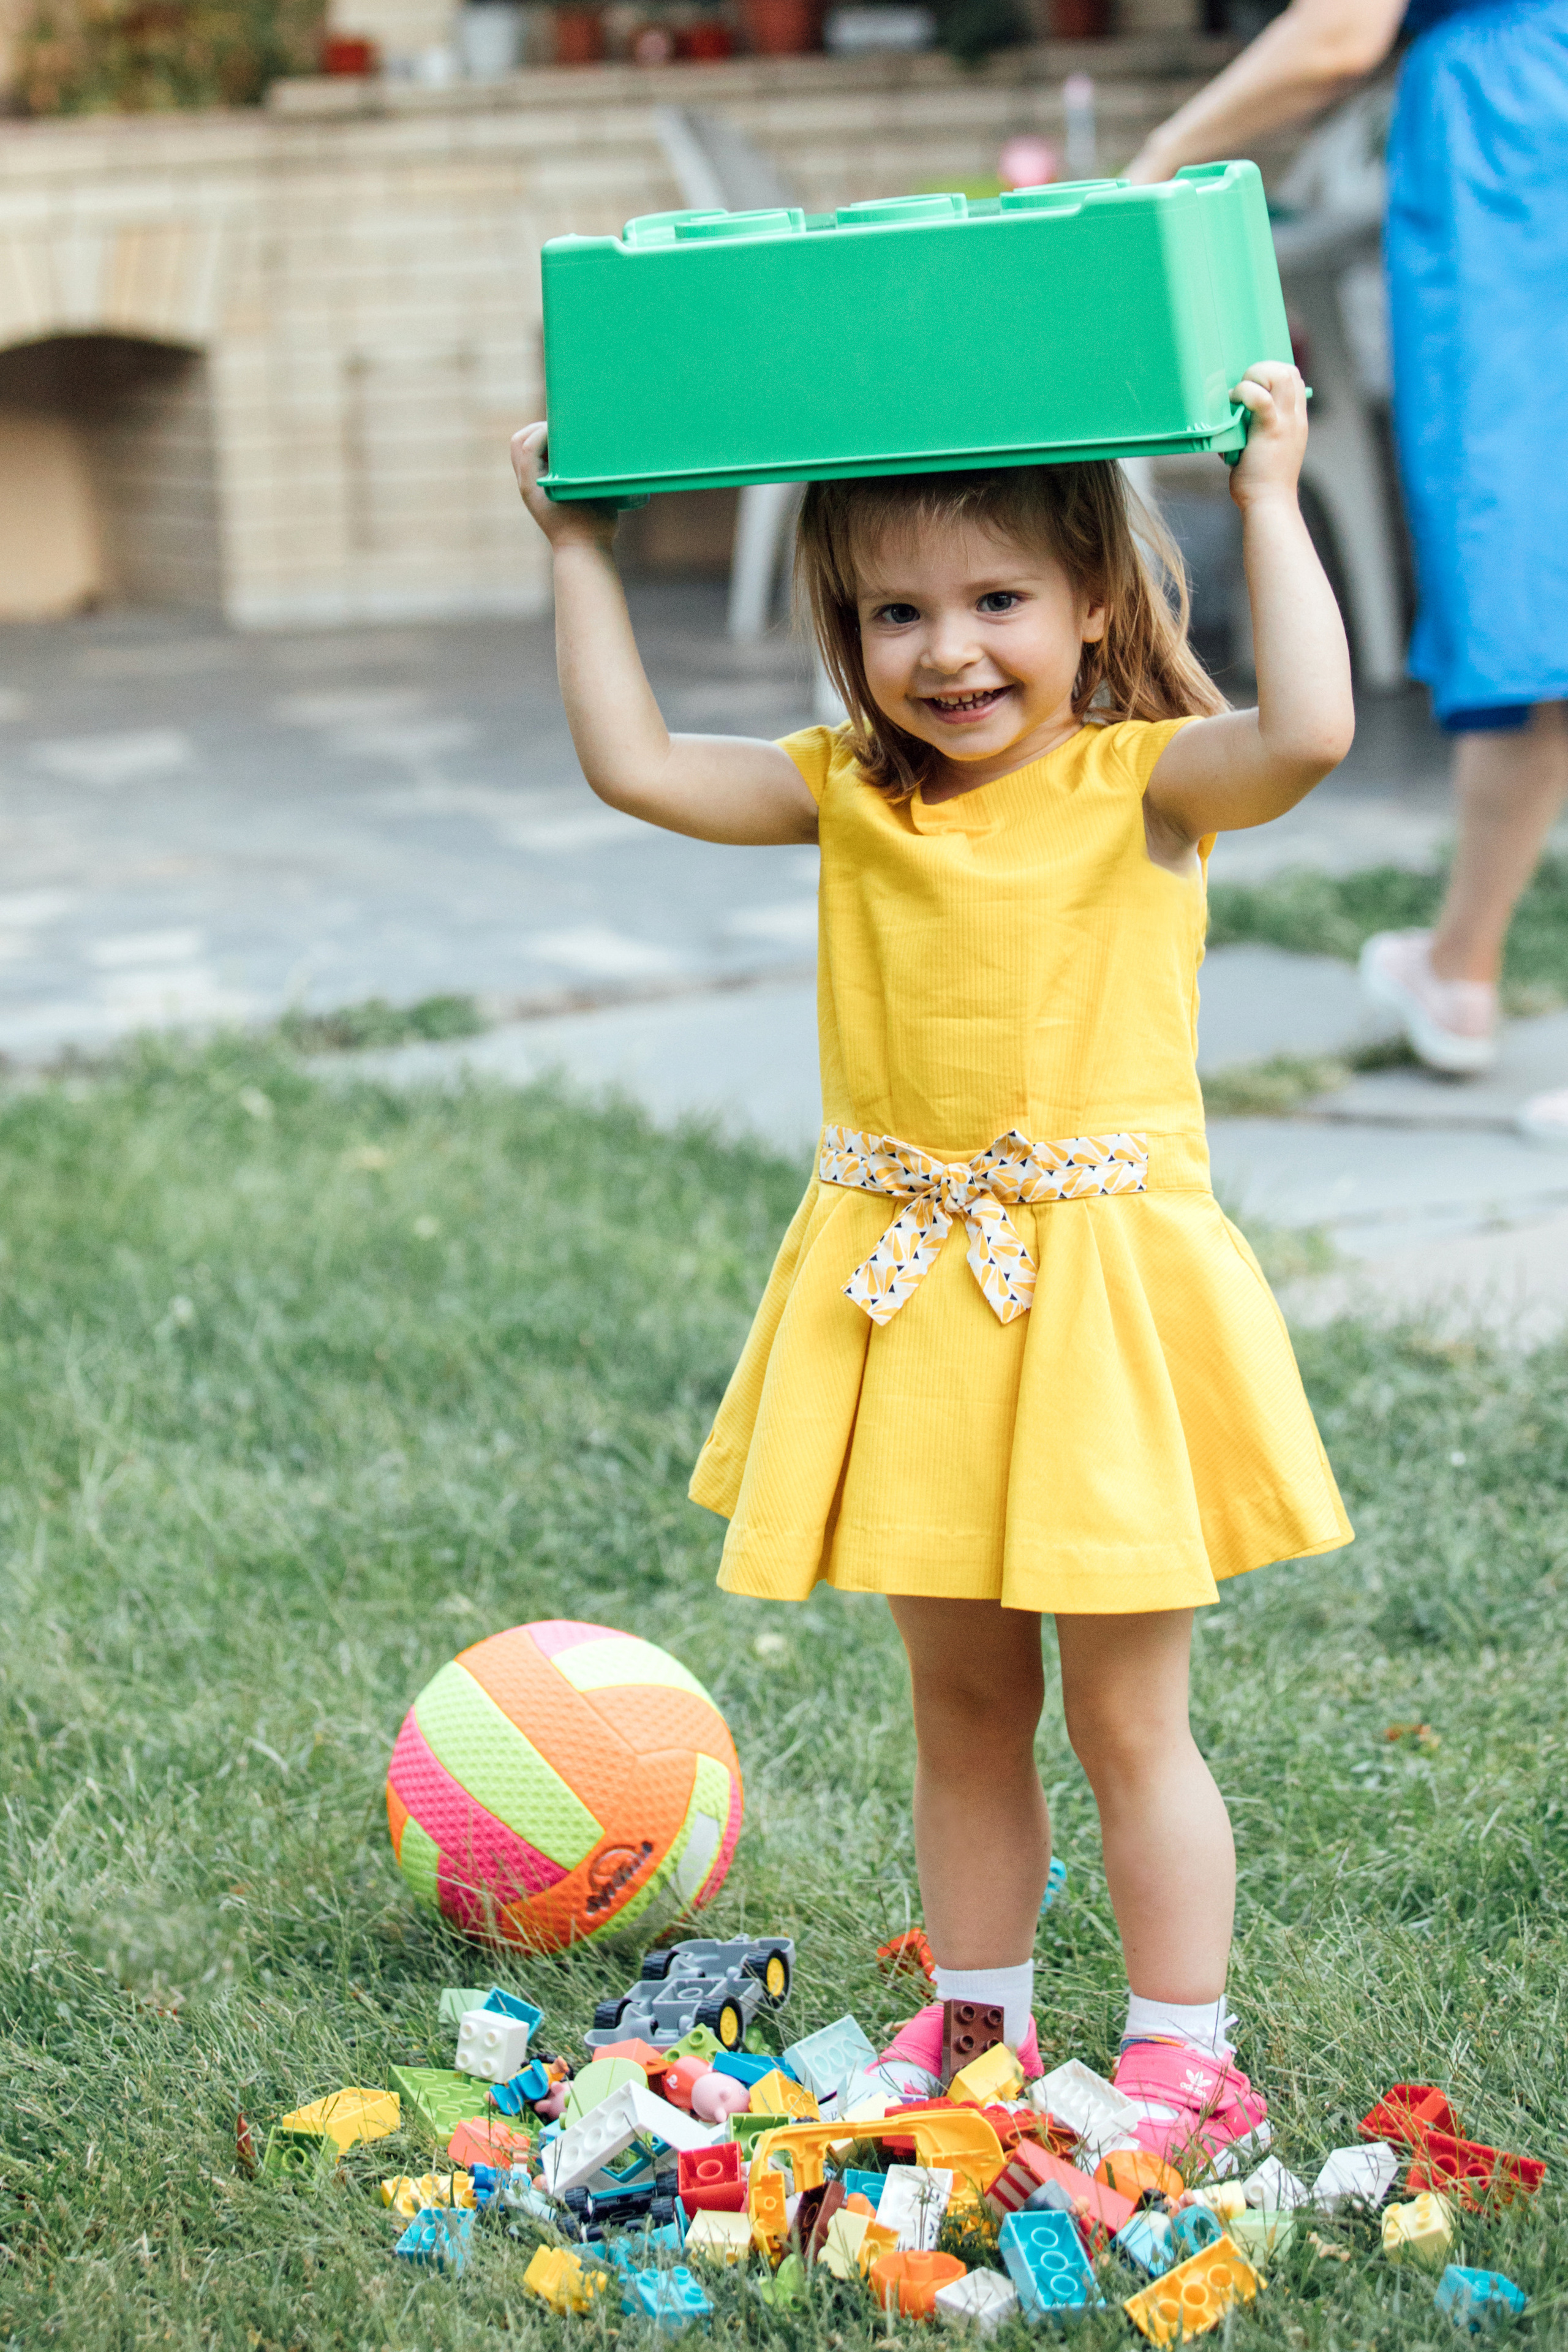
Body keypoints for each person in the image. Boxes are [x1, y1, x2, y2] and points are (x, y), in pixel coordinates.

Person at [510, 356, 1353, 2163]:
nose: (948, 652)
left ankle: (1184, 2052)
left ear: (1099, 605)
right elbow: (637, 766)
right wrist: (580, 547)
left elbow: (1312, 736)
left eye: (997, 603)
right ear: (845, 628)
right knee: (963, 1706)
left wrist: (1271, 495)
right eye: (897, 612)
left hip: (1103, 1321)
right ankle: (979, 2020)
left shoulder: (1148, 784)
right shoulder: (852, 797)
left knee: (1132, 1718)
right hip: (920, 1317)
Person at [1124, 0, 1568, 1104]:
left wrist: (1165, 152)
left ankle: (1460, 969)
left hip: (1524, 155)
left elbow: (1340, 29)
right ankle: (1460, 966)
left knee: (1523, 579)